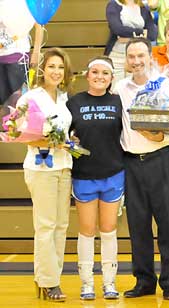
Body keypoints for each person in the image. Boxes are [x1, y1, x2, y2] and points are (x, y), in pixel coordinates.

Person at [114, 37, 169, 300]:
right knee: (138, 225)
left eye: (141, 56)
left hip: (162, 159)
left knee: (168, 224)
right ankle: (144, 280)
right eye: (131, 57)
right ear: (126, 60)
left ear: (150, 57)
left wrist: (162, 137)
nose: (136, 62)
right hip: (131, 163)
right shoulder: (120, 88)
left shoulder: (167, 86)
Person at [66, 56, 124, 300]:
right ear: (87, 75)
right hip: (84, 174)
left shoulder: (118, 102)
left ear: (111, 78)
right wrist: (70, 141)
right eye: (95, 72)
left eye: (105, 73)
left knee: (109, 230)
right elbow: (64, 135)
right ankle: (87, 283)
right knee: (87, 230)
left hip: (113, 173)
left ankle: (109, 282)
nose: (100, 76)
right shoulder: (74, 103)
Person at [18, 48, 73, 301]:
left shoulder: (63, 97)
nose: (56, 71)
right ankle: (49, 282)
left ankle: (49, 277)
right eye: (51, 66)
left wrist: (70, 141)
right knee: (46, 225)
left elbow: (62, 132)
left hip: (64, 166)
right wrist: (50, 141)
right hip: (41, 169)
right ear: (42, 70)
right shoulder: (31, 97)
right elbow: (20, 134)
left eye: (60, 67)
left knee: (61, 225)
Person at [105, 0, 158, 86]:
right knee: (116, 89)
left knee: (135, 89)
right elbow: (117, 29)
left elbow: (152, 34)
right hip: (117, 56)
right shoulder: (113, 5)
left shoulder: (142, 7)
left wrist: (127, 37)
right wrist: (141, 32)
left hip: (138, 58)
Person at [0, 19, 43, 118]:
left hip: (18, 56)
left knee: (19, 104)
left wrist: (36, 51)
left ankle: (18, 132)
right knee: (3, 106)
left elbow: (39, 23)